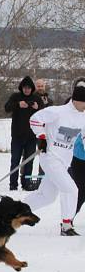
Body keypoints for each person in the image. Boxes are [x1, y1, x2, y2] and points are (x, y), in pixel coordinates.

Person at [23, 80, 85, 235]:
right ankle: (66, 226)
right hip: (50, 157)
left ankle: (14, 212)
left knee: (46, 196)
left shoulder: (83, 117)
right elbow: (35, 119)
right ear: (77, 100)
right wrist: (42, 136)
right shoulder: (58, 112)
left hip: (64, 161)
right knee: (70, 189)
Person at [4, 76, 42, 190]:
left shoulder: (36, 98)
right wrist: (18, 105)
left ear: (32, 89)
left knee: (29, 161)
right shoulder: (15, 97)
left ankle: (26, 183)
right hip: (17, 136)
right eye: (25, 88)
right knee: (15, 160)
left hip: (31, 136)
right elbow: (6, 108)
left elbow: (45, 112)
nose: (27, 90)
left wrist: (38, 107)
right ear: (21, 88)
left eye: (29, 88)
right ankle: (13, 184)